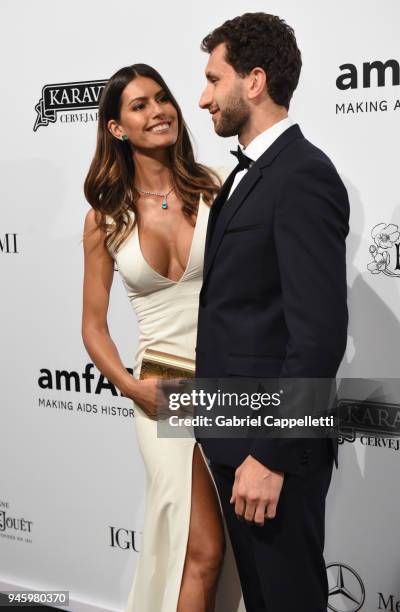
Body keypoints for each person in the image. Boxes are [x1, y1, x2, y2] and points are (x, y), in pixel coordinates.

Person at [196, 12, 349, 612]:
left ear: (253, 82)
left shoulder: (302, 174)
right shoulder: (246, 175)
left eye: (214, 79)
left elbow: (317, 338)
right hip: (233, 435)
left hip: (269, 449)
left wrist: (270, 454)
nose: (204, 98)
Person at [81, 63, 227, 612]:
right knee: (203, 549)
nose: (158, 111)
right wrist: (130, 387)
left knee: (233, 551)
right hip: (161, 391)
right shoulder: (106, 217)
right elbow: (93, 324)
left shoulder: (215, 187)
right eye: (139, 105)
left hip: (234, 385)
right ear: (117, 128)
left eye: (162, 98)